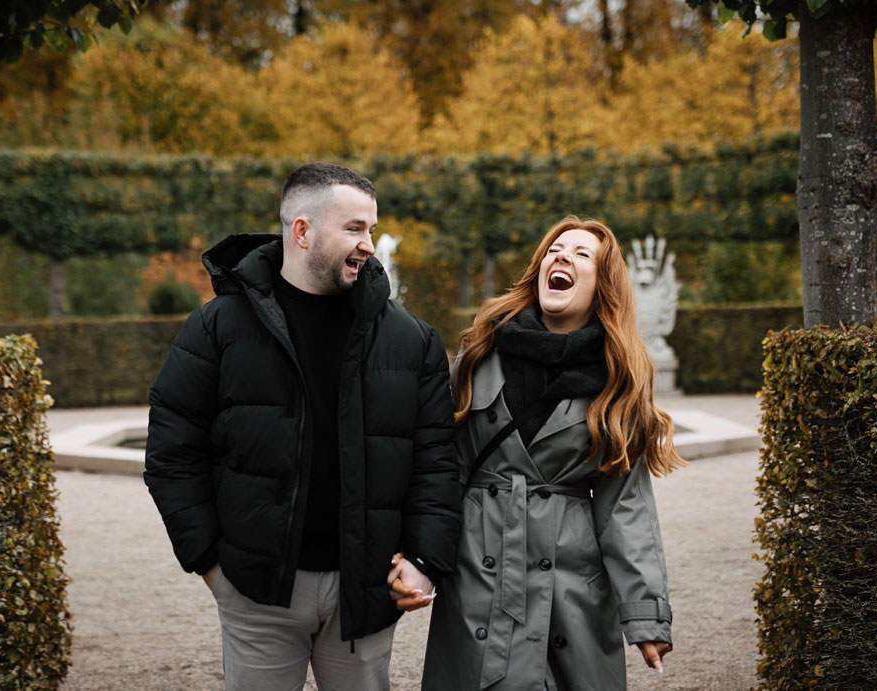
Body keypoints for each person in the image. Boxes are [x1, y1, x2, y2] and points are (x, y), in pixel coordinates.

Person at [145, 162, 461, 689]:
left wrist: (424, 560)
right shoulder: (217, 327)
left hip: (365, 594)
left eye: (372, 230)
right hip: (257, 593)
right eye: (355, 228)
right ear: (302, 230)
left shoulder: (414, 341)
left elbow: (437, 462)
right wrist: (211, 566)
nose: (369, 244)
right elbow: (172, 450)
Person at [422, 216, 684, 689]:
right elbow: (441, 467)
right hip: (479, 571)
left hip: (570, 587)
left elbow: (625, 504)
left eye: (582, 254)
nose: (561, 256)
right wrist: (418, 558)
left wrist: (646, 615)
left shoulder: (617, 380)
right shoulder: (479, 352)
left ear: (603, 285)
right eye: (555, 249)